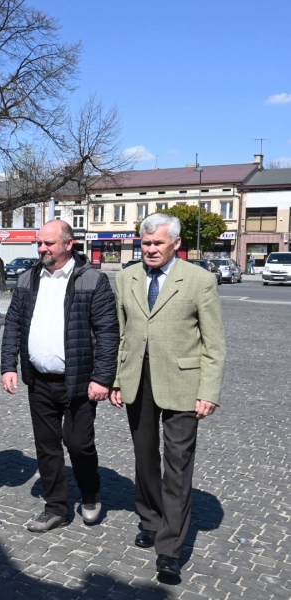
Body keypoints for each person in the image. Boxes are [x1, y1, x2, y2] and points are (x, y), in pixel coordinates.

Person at [109, 213, 226, 579]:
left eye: (157, 243)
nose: (150, 249)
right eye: (145, 243)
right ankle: (150, 518)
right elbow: (121, 334)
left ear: (176, 243)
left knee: (177, 465)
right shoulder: (126, 277)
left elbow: (214, 343)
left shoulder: (199, 280)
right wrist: (117, 380)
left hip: (183, 384)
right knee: (144, 457)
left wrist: (208, 391)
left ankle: (170, 547)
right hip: (137, 380)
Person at [0, 220, 119, 533]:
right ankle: (56, 507)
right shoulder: (28, 278)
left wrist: (103, 378)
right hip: (39, 380)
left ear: (69, 244)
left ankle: (90, 492)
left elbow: (108, 332)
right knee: (47, 446)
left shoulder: (92, 279)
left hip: (78, 382)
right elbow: (13, 324)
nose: (42, 249)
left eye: (48, 243)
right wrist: (8, 365)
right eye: (39, 243)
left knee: (79, 444)